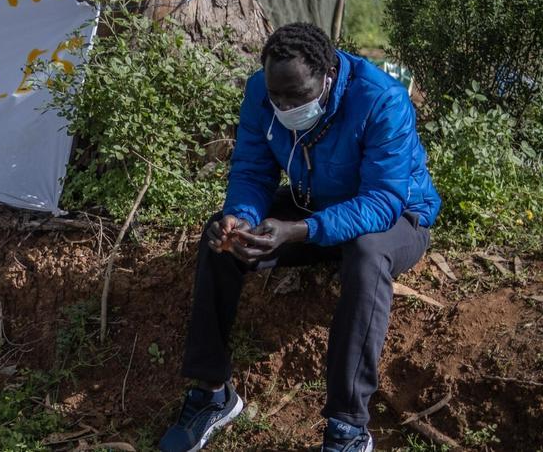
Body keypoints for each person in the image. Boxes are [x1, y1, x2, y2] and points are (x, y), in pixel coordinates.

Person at [159, 23, 441, 452]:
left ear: (329, 73)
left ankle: (347, 427)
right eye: (277, 96)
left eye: (298, 96)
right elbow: (253, 172)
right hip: (314, 207)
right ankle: (213, 394)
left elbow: (383, 200)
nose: (285, 105)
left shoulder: (381, 99)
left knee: (366, 255)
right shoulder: (261, 91)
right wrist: (241, 218)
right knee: (221, 239)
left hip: (397, 217)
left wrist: (299, 230)